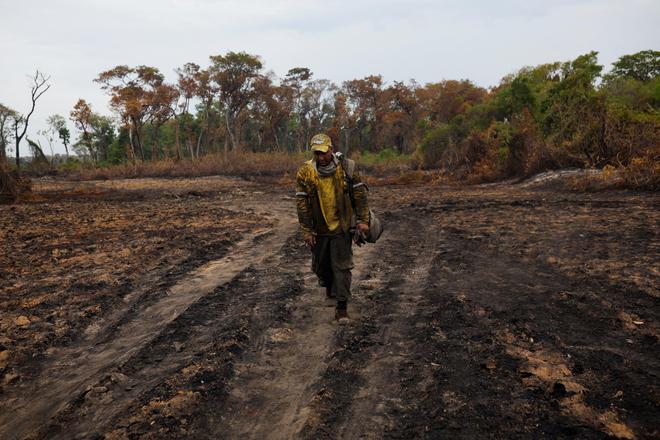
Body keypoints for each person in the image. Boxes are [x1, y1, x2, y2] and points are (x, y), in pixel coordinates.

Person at [295, 133, 370, 322]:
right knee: (322, 267)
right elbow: (302, 204)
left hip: (341, 226)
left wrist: (362, 220)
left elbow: (360, 195)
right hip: (320, 229)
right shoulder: (305, 172)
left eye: (323, 153)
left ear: (331, 149)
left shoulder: (347, 168)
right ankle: (329, 287)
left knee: (342, 267)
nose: (320, 157)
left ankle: (342, 308)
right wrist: (306, 230)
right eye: (316, 153)